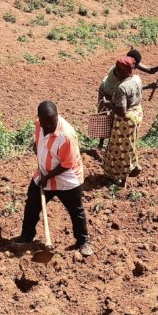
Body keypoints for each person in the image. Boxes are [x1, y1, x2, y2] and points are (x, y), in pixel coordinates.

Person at [11, 101, 92, 256]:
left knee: (76, 211)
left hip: (67, 179)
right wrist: (38, 151)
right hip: (43, 173)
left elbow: (67, 164)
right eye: (45, 123)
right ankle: (27, 236)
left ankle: (83, 241)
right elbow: (39, 142)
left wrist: (47, 177)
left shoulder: (66, 136)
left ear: (57, 116)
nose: (48, 126)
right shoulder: (39, 125)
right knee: (32, 205)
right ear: (39, 119)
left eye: (52, 122)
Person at [103, 56, 158, 185]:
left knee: (119, 149)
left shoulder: (122, 87)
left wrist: (109, 105)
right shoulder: (137, 79)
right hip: (137, 113)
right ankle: (134, 166)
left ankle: (119, 177)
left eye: (117, 69)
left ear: (122, 71)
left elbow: (121, 111)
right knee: (130, 144)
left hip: (125, 121)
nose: (115, 71)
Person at [94, 49, 158, 150]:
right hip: (106, 92)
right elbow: (129, 89)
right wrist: (149, 86)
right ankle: (101, 144)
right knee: (104, 117)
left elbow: (150, 71)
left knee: (115, 117)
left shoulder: (128, 65)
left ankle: (110, 144)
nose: (135, 68)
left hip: (116, 92)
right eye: (135, 65)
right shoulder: (119, 73)